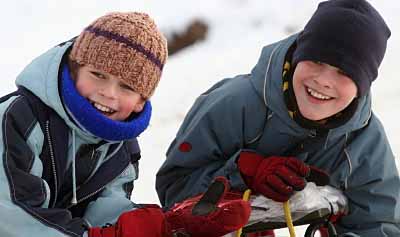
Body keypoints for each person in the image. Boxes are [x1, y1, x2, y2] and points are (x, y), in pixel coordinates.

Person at [156, 0, 400, 236]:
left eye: (345, 72)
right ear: (297, 54)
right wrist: (241, 174)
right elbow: (173, 194)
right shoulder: (233, 104)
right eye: (316, 60)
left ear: (364, 86)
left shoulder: (363, 141)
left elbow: (380, 225)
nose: (324, 81)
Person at [0, 12, 250, 237]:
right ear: (75, 69)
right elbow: (13, 217)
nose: (109, 93)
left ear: (141, 101)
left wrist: (167, 225)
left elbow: (107, 213)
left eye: (127, 87)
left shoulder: (121, 148)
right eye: (98, 75)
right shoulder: (18, 118)